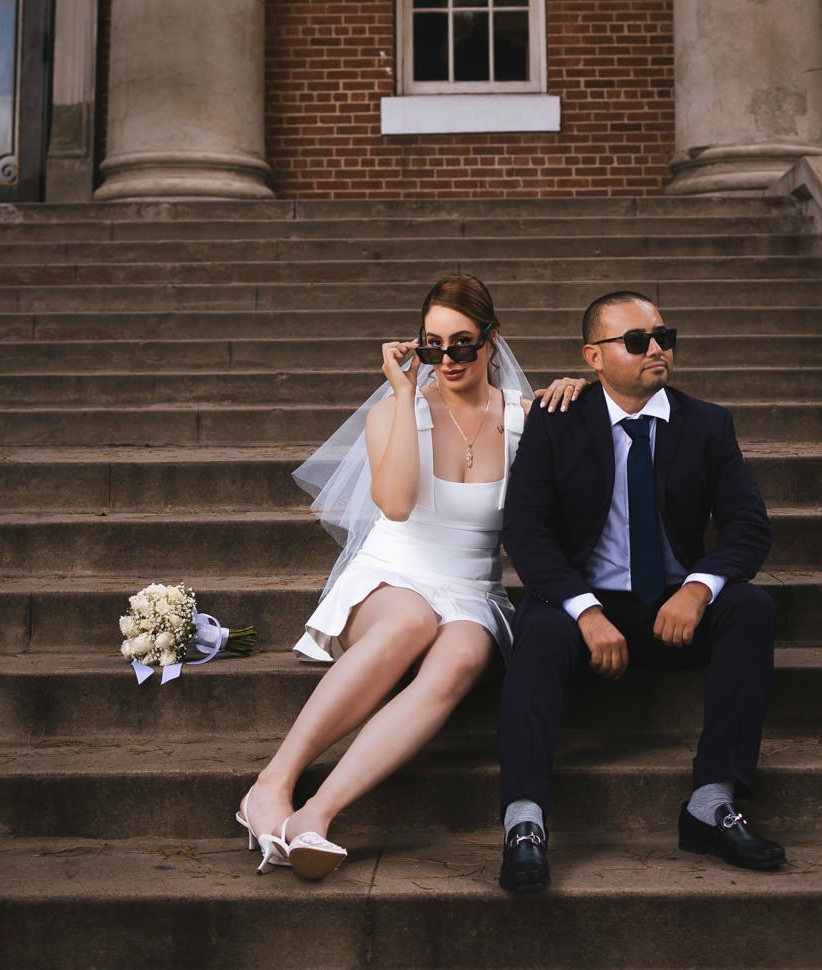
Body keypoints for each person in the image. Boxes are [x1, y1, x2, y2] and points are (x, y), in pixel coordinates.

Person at [236, 273, 585, 881]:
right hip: (392, 577)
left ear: (492, 342)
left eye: (462, 344)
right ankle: (271, 784)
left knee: (460, 657)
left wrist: (579, 390)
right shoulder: (398, 413)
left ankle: (314, 816)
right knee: (410, 622)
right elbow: (394, 505)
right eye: (432, 346)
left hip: (474, 590)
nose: (446, 359)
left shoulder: (526, 421)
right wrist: (401, 393)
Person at [496, 288, 783, 892]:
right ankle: (525, 821)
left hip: (674, 609)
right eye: (636, 341)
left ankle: (711, 802)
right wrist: (584, 609)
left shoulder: (707, 424)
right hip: (586, 608)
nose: (656, 349)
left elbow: (748, 526)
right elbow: (525, 533)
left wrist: (700, 588)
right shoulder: (556, 422)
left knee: (751, 609)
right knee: (539, 626)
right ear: (593, 358)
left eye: (663, 338)